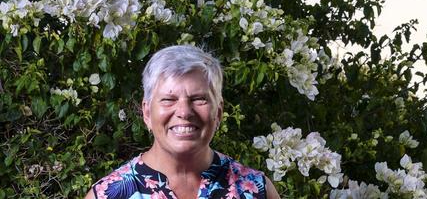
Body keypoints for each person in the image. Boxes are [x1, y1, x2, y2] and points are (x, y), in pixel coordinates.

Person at [85, 45, 281, 199]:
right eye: (168, 100)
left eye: (198, 99)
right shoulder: (108, 195)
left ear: (218, 112)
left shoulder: (256, 190)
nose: (184, 112)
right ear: (146, 113)